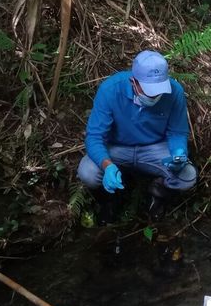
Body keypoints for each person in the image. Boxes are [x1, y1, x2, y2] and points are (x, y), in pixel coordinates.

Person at [78, 50, 197, 222]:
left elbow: (177, 132)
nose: (154, 95)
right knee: (87, 172)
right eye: (149, 90)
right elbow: (95, 137)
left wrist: (179, 154)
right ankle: (109, 200)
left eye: (159, 89)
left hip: (155, 149)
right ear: (133, 82)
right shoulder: (111, 90)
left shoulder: (174, 92)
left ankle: (158, 194)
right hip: (117, 148)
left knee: (187, 176)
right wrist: (107, 165)